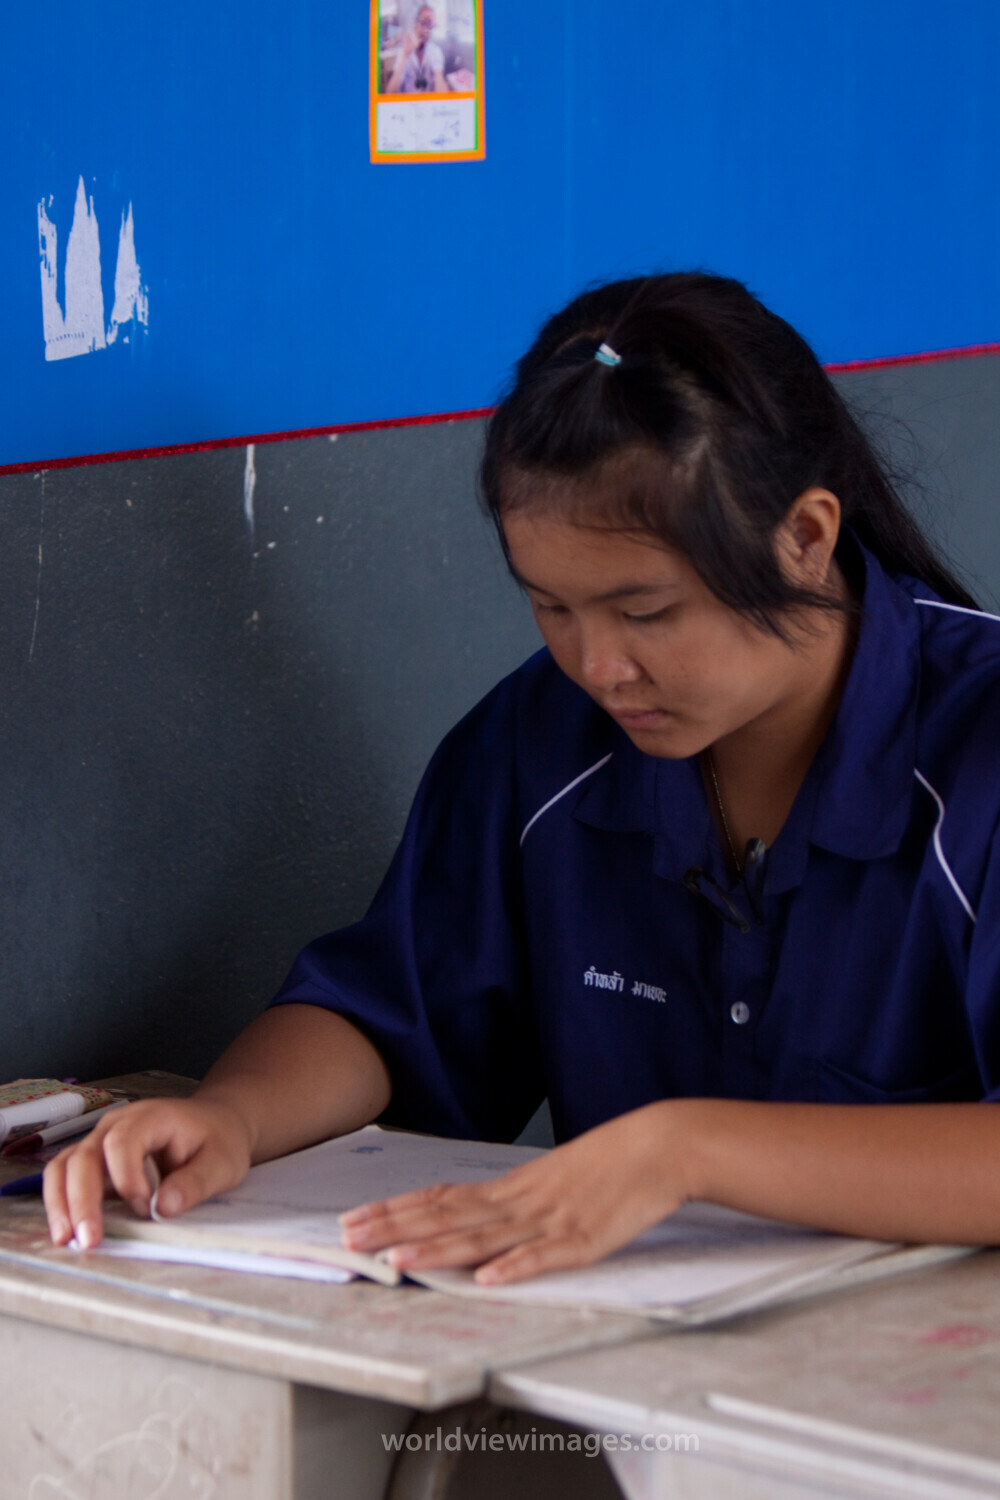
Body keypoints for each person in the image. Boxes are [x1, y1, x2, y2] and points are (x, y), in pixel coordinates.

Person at [44, 273, 1000, 1285]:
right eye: (551, 607)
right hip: (631, 1372)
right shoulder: (540, 745)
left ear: (804, 538)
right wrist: (229, 1116)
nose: (597, 666)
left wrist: (680, 1153)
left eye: (644, 612)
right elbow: (386, 1009)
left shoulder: (975, 755)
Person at [383, 6, 448, 94]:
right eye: (423, 23)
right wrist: (405, 55)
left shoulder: (435, 51)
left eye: (430, 26)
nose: (426, 30)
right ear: (415, 23)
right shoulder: (404, 51)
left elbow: (441, 88)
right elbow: (390, 93)